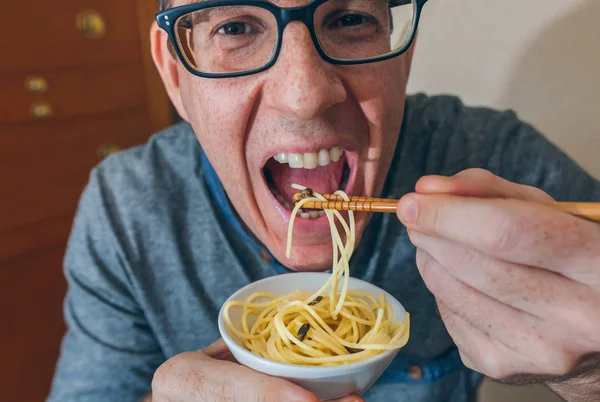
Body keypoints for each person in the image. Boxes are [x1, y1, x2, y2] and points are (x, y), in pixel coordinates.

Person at [47, 0, 600, 401]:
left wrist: (590, 376)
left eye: (350, 19)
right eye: (236, 26)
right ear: (173, 72)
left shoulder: (493, 161)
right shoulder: (126, 208)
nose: (305, 95)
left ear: (399, 57)